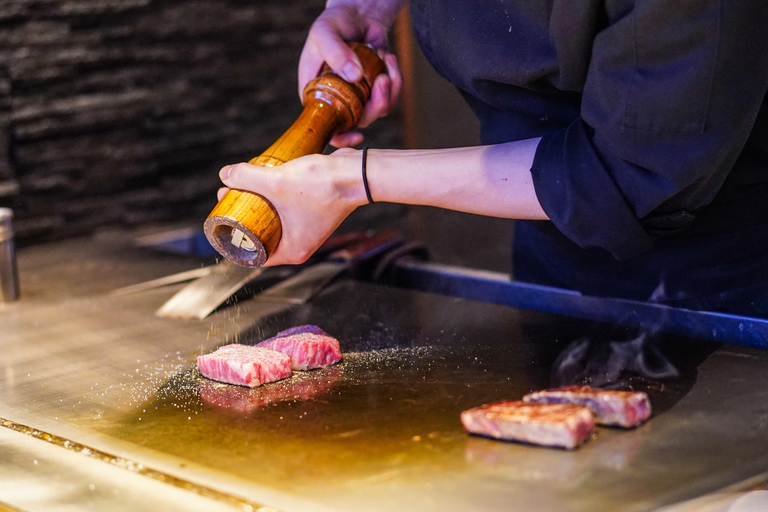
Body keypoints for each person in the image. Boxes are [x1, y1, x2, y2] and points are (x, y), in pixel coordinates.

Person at [217, 0, 768, 316]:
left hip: (724, 283)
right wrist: (363, 8)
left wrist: (352, 181)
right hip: (548, 250)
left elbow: (623, 173)